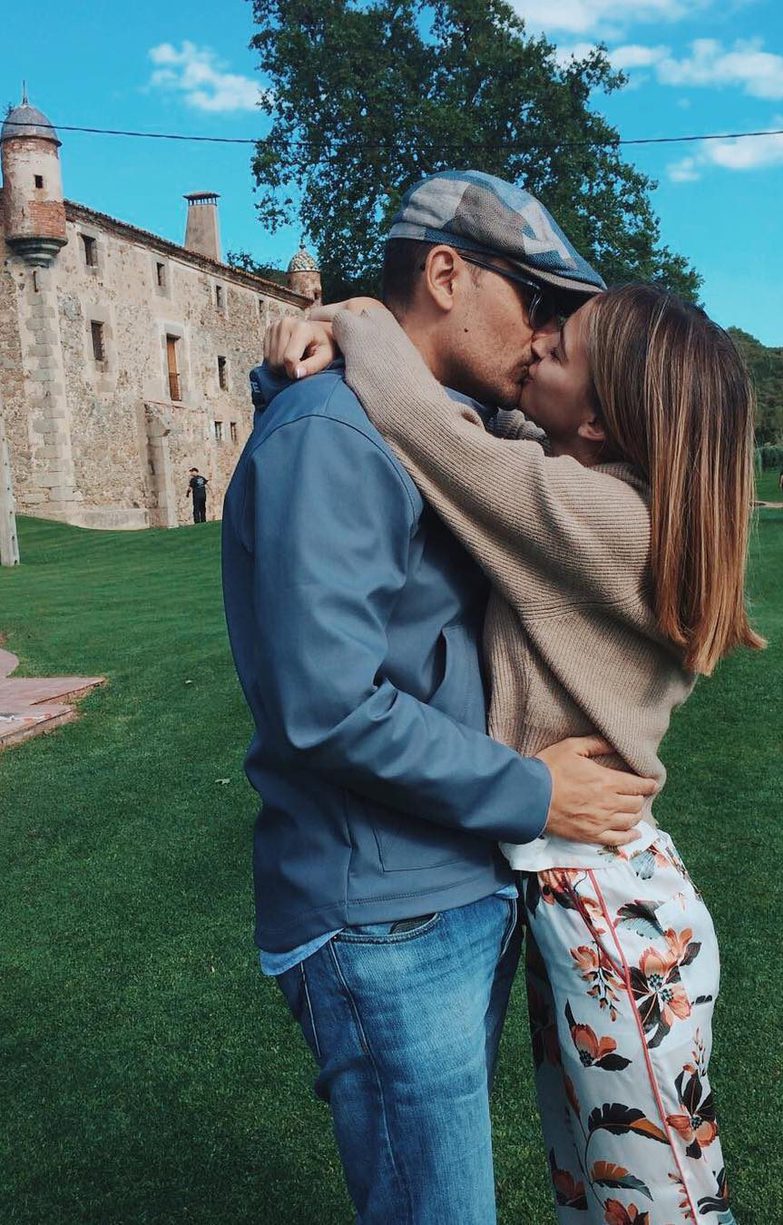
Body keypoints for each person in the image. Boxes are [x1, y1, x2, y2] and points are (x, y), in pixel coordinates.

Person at [266, 279, 765, 1224]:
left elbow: (441, 438)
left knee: (665, 1205)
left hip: (608, 911)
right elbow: (504, 436)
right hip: (596, 894)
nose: (535, 347)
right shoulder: (607, 489)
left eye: (561, 349)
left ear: (605, 423)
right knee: (593, 1190)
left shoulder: (604, 519)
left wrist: (356, 318)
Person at [221, 170, 660, 1225]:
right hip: (384, 921)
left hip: (443, 889)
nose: (549, 335)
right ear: (448, 275)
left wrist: (333, 324)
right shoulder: (335, 433)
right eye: (538, 302)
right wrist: (531, 793)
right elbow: (325, 706)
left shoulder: (434, 431)